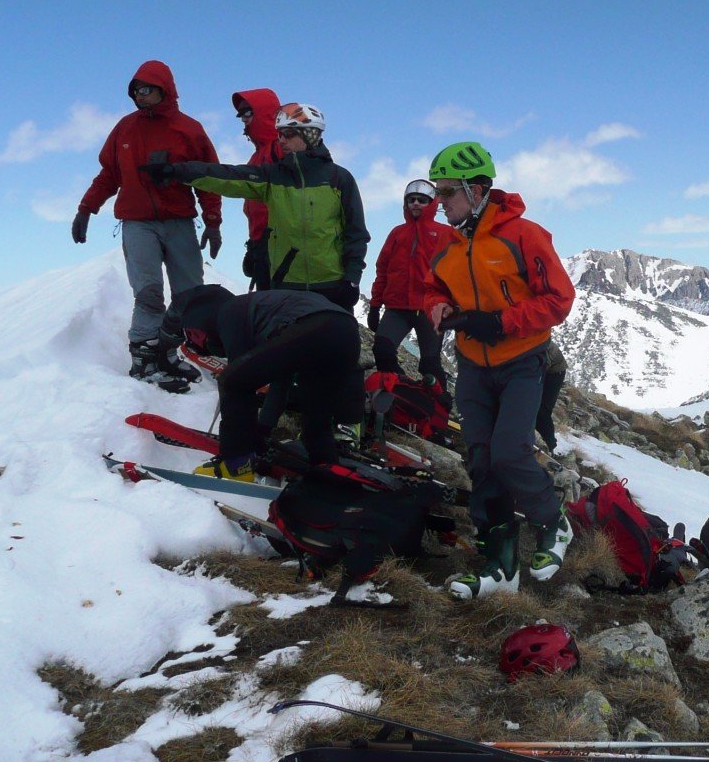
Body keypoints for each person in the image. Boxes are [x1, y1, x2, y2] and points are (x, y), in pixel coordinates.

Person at [148, 102, 370, 434]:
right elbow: (227, 176)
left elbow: (356, 233)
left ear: (311, 135)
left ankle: (348, 427)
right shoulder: (272, 176)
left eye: (290, 134)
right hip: (288, 287)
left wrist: (351, 280)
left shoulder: (340, 179)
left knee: (340, 359)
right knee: (281, 363)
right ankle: (267, 427)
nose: (282, 140)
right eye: (280, 134)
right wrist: (178, 171)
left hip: (331, 285)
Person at [422, 141, 577, 598]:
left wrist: (500, 322)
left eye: (446, 192)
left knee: (509, 450)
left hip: (523, 361)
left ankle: (553, 522)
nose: (439, 201)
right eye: (437, 191)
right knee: (481, 460)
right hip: (473, 365)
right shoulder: (448, 242)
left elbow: (559, 300)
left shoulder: (524, 235)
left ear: (475, 190)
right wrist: (438, 308)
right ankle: (501, 564)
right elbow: (431, 288)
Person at [73, 60, 222, 389]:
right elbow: (109, 175)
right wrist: (86, 209)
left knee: (190, 294)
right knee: (148, 292)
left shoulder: (189, 129)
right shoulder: (125, 128)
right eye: (135, 90)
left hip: (179, 221)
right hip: (137, 223)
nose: (139, 95)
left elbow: (207, 178)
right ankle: (144, 360)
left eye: (146, 89)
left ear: (165, 89)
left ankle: (170, 354)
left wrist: (212, 221)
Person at [155, 284, 364, 480]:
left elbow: (239, 381)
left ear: (204, 317)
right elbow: (280, 381)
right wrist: (262, 431)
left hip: (316, 325)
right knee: (316, 421)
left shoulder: (230, 311)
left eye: (193, 333)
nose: (194, 340)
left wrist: (245, 442)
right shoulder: (259, 311)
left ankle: (236, 466)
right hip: (345, 332)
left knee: (232, 380)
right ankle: (329, 478)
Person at [367, 179, 460, 395]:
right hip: (396, 308)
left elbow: (457, 272)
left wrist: (454, 304)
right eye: (411, 200)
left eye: (422, 200)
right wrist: (374, 305)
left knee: (430, 365)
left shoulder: (446, 233)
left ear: (432, 203)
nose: (416, 203)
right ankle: (405, 394)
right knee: (382, 350)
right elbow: (382, 269)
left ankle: (439, 405)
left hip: (430, 309)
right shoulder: (397, 233)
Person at [231, 89, 283, 290]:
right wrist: (254, 244)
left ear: (265, 113)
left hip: (280, 245)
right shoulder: (257, 156)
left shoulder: (281, 149)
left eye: (248, 112)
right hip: (262, 244)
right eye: (240, 114)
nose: (243, 118)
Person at [535, 339, 567, 454]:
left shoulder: (537, 343)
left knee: (542, 410)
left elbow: (543, 364)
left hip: (555, 372)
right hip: (544, 367)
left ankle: (550, 445)